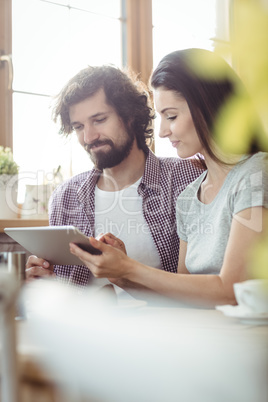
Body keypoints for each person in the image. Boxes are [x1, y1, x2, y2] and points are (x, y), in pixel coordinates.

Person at [69, 49, 268, 307]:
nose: (162, 131)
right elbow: (182, 298)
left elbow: (231, 290)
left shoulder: (255, 174)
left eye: (171, 116)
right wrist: (117, 272)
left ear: (208, 106)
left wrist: (129, 268)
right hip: (203, 338)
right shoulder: (189, 196)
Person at [26, 65, 202, 293]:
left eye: (99, 120)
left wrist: (126, 272)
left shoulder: (188, 178)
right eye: (79, 127)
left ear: (130, 115)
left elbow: (204, 285)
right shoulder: (64, 197)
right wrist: (44, 283)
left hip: (166, 325)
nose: (88, 137)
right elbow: (63, 294)